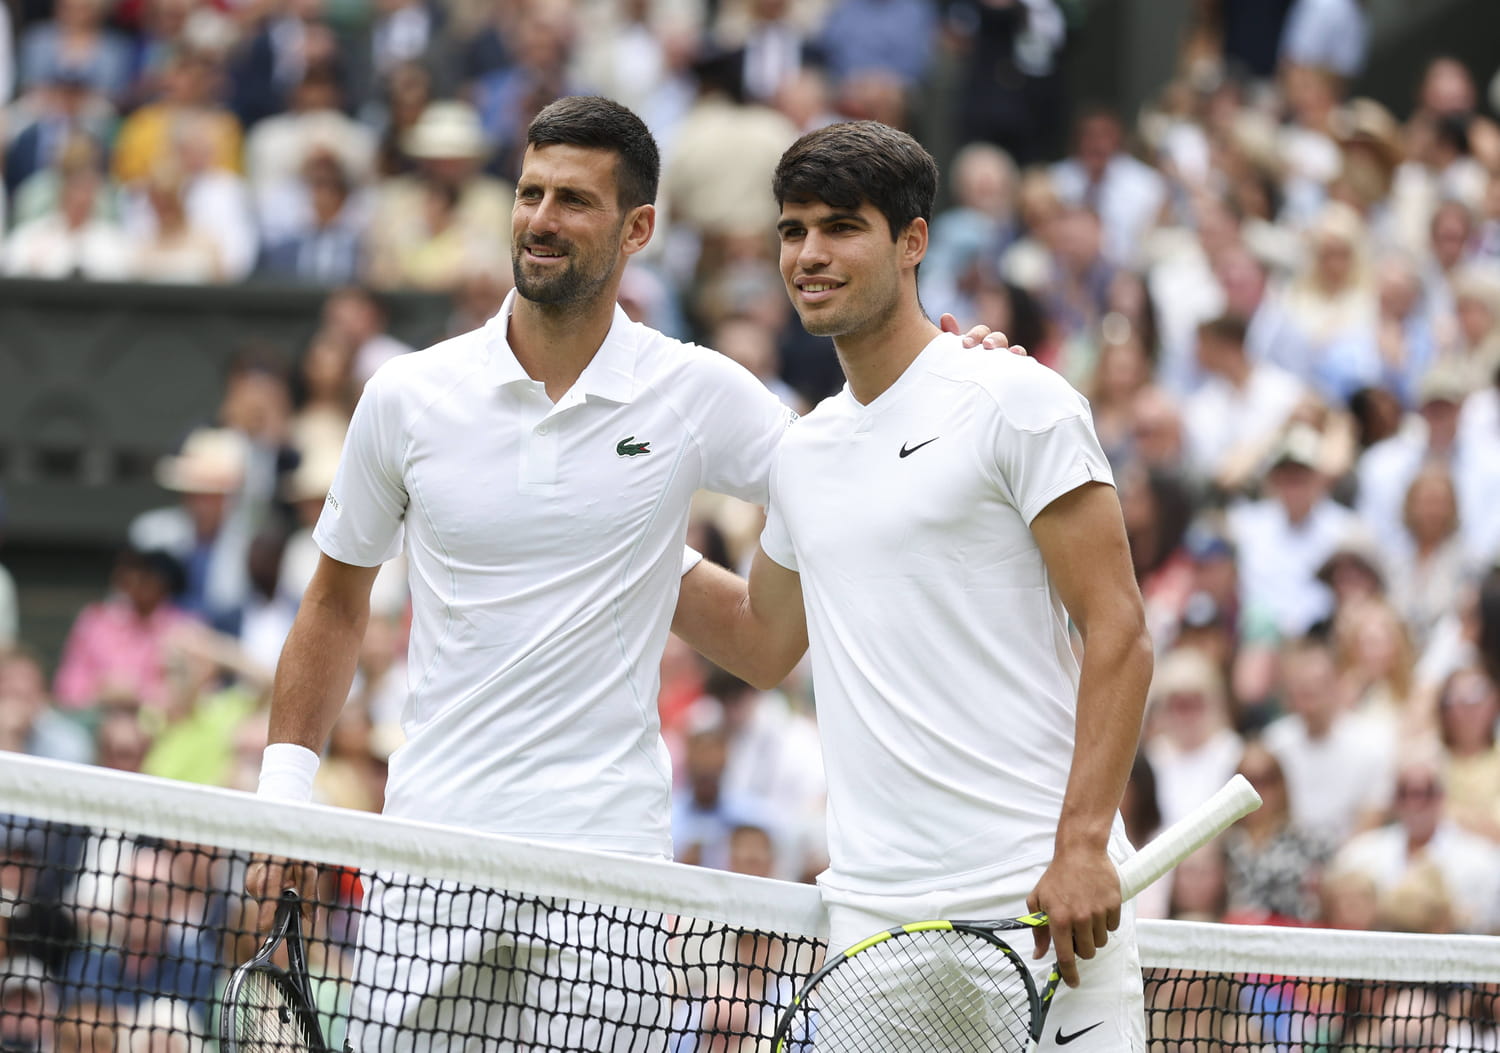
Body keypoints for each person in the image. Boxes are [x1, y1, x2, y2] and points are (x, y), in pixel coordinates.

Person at [249, 97, 1007, 1050]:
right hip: (429, 852)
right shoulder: (407, 395)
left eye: (573, 200)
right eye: (529, 193)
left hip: (609, 864)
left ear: (638, 227)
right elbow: (333, 600)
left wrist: (965, 375)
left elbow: (856, 460)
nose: (539, 219)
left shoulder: (695, 390)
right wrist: (284, 800)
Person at [675, 120, 1153, 1049]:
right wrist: (631, 545)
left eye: (841, 226)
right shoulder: (804, 451)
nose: (809, 253)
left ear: (913, 241)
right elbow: (763, 643)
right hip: (873, 925)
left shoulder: (1019, 398)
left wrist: (1084, 844)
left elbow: (1120, 629)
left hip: (1043, 900)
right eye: (792, 229)